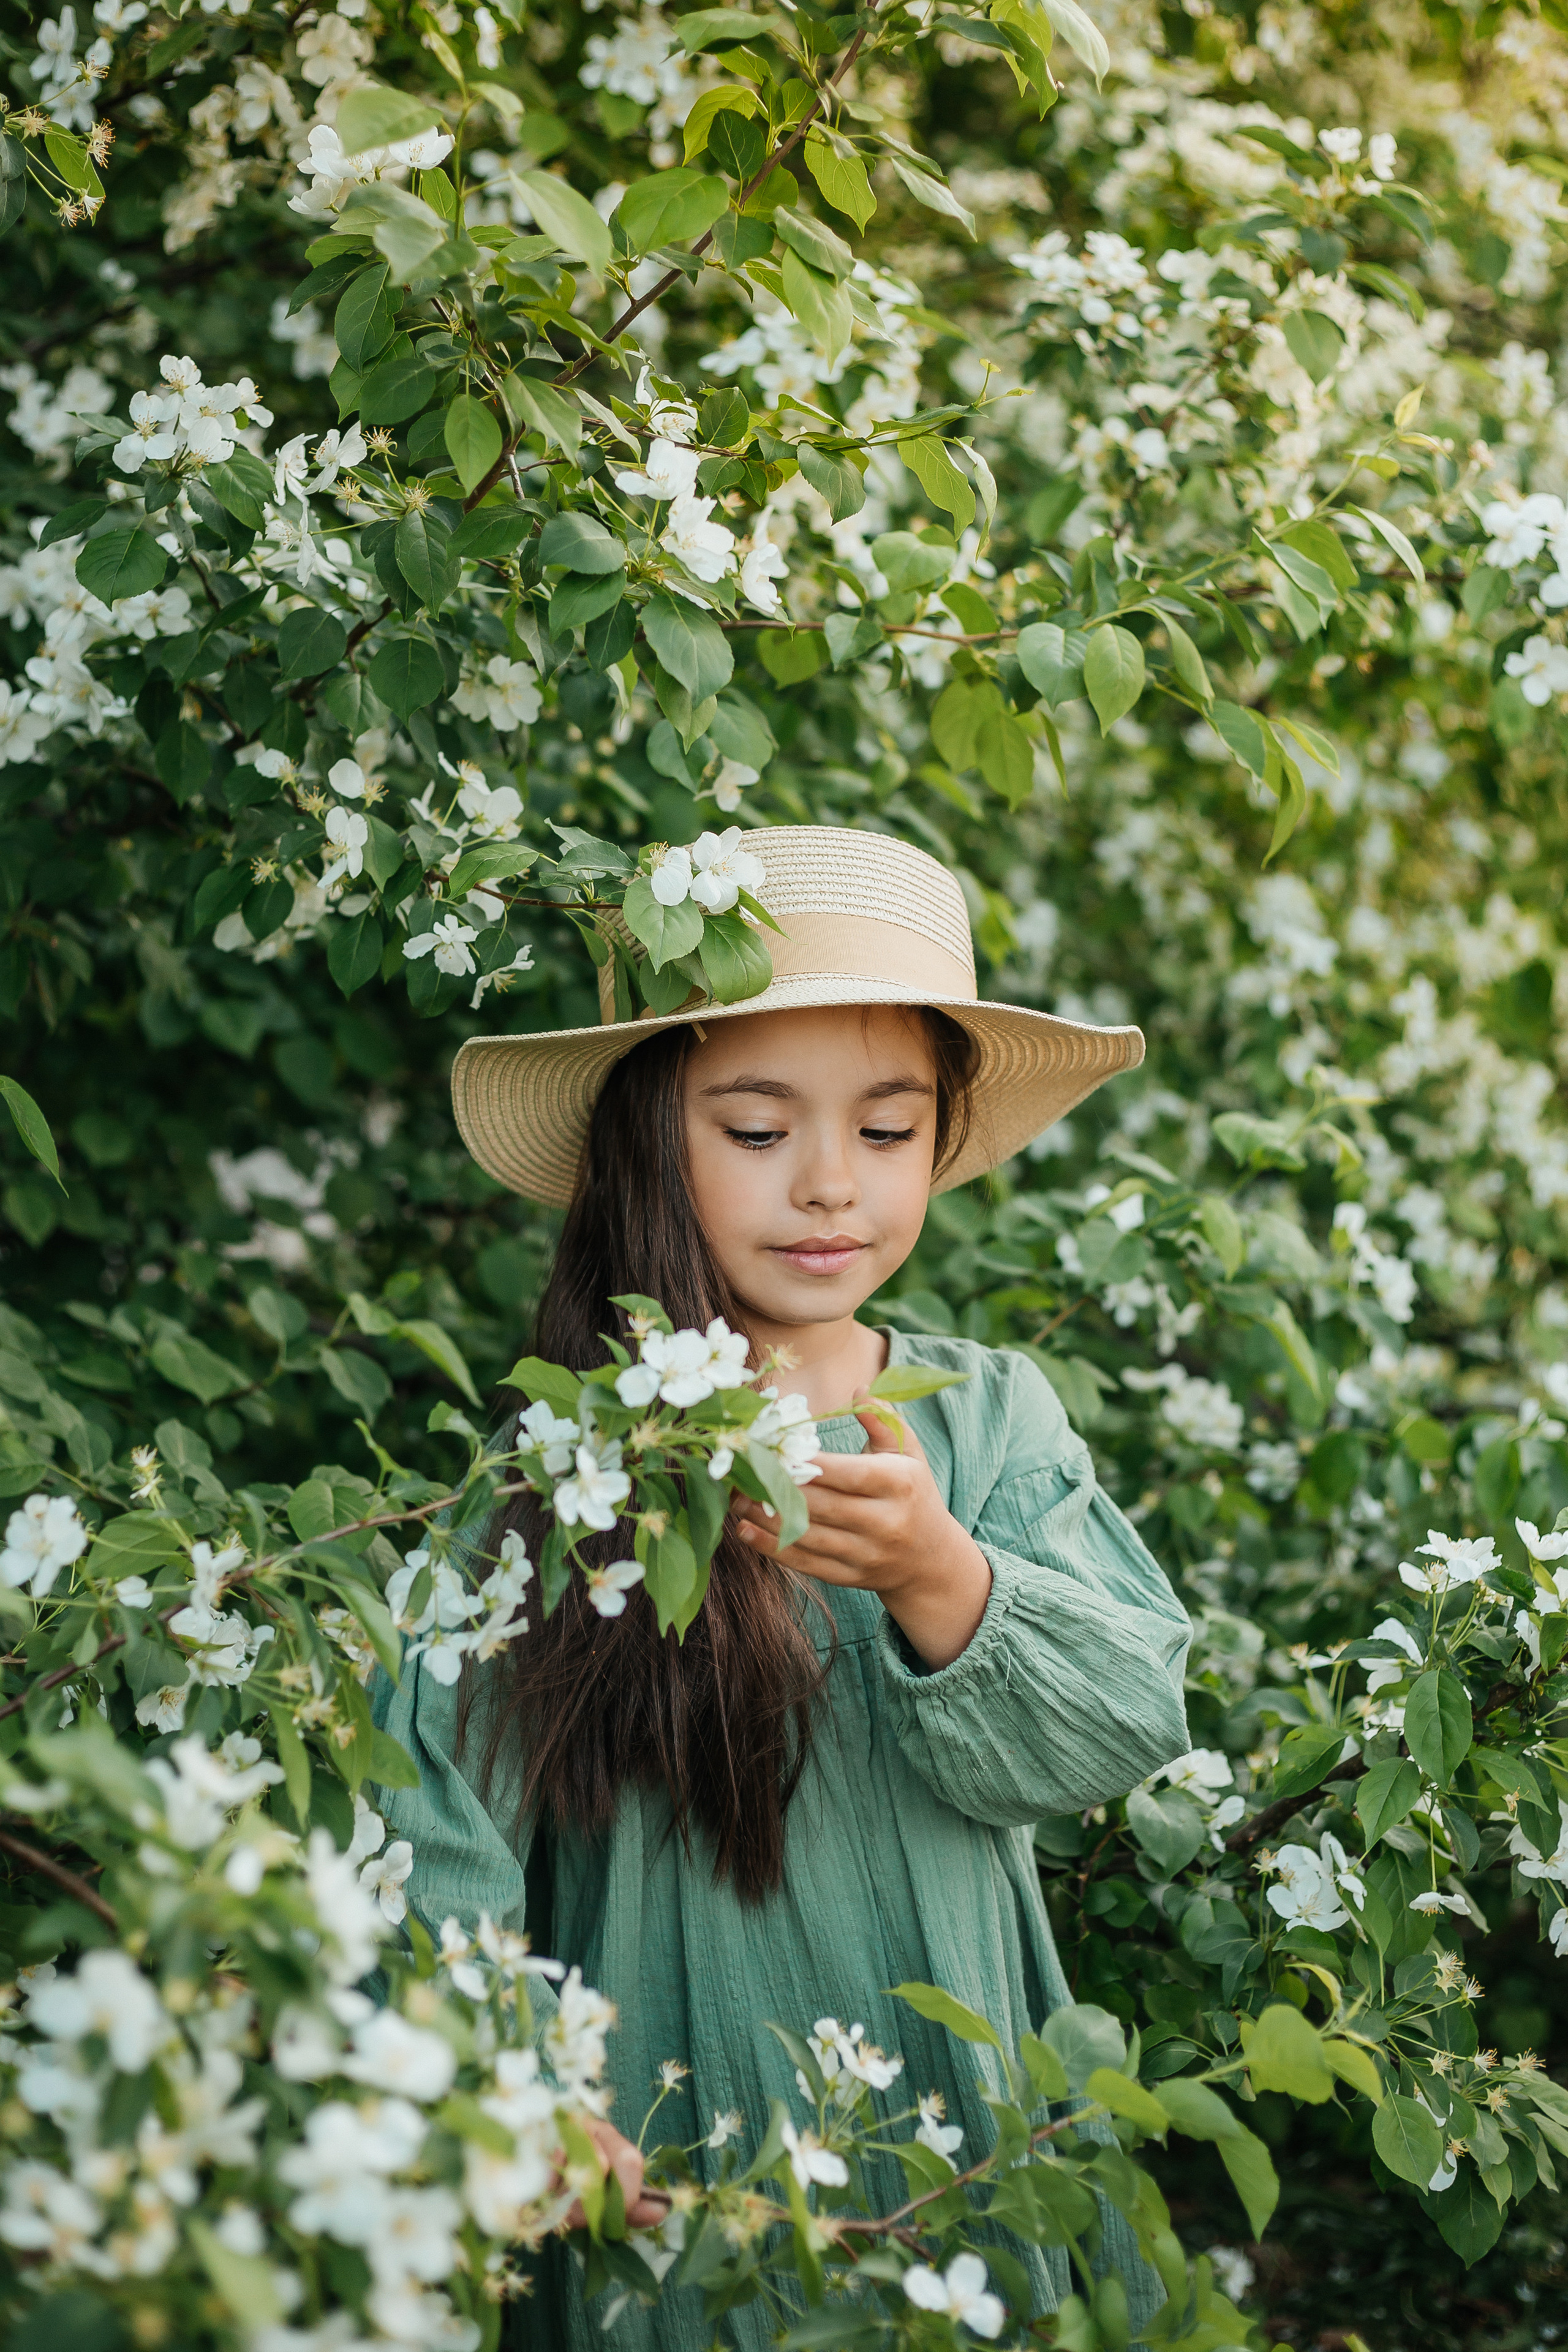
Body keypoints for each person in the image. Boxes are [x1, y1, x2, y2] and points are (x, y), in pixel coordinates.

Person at [373, 824, 1192, 2348]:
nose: (828, 1188)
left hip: (950, 2077)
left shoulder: (985, 1416)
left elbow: (1117, 1727)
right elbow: (429, 1822)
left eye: (886, 1135)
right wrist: (510, 2082)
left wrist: (941, 1575)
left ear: (941, 1139)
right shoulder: (562, 1466)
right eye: (756, 1132)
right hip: (679, 2107)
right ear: (647, 1141)